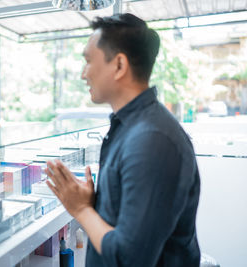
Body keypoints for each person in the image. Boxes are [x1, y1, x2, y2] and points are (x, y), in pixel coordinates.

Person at [45, 13, 201, 267]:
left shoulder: (153, 140)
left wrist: (81, 210)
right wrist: (96, 204)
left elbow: (130, 259)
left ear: (119, 65)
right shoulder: (130, 127)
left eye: (88, 61)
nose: (83, 74)